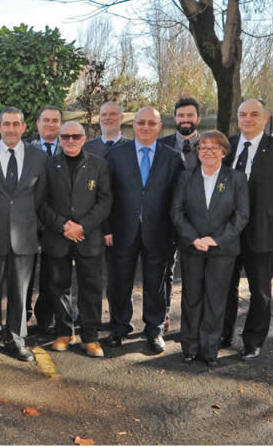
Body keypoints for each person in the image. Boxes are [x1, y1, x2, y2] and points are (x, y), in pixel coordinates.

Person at [221, 99, 273, 360]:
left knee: (260, 292)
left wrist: (271, 216)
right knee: (225, 287)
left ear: (265, 119)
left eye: (254, 114)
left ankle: (253, 341)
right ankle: (223, 333)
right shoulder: (228, 145)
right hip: (229, 231)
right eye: (243, 114)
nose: (248, 119)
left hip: (261, 232)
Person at [0, 107, 47, 362]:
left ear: (24, 127)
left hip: (25, 236)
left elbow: (40, 197)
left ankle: (16, 339)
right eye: (6, 124)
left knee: (20, 292)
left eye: (16, 124)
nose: (11, 129)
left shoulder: (39, 157)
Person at [105, 106, 183, 354]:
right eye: (141, 123)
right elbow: (107, 195)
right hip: (122, 230)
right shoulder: (116, 155)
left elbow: (178, 199)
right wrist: (107, 228)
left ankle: (154, 329)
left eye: (152, 123)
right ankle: (119, 327)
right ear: (133, 125)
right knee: (120, 282)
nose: (146, 127)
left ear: (160, 126)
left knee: (156, 283)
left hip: (159, 232)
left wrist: (175, 232)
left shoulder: (173, 157)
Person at [171, 130, 249, 366]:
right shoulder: (186, 177)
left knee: (215, 301)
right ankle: (189, 347)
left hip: (222, 250)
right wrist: (194, 238)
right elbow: (176, 212)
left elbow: (242, 216)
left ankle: (210, 349)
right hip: (192, 247)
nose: (209, 152)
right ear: (197, 152)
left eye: (215, 148)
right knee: (191, 298)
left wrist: (215, 240)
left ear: (224, 152)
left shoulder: (237, 179)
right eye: (203, 147)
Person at [39, 121, 112, 357]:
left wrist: (82, 227)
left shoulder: (98, 164)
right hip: (57, 236)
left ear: (84, 139)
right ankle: (64, 332)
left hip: (88, 237)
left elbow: (105, 201)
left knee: (91, 287)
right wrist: (63, 226)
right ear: (59, 139)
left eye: (75, 136)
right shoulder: (48, 165)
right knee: (58, 286)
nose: (70, 140)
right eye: (65, 136)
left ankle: (90, 337)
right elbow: (41, 203)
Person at [158, 97, 202, 332]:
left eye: (190, 115)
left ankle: (191, 322)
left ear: (198, 119)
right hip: (165, 220)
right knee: (165, 269)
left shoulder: (208, 146)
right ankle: (163, 314)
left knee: (194, 273)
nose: (185, 120)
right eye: (181, 115)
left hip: (197, 222)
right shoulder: (160, 146)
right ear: (175, 118)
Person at [83, 101, 129, 331]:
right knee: (89, 276)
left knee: (118, 277)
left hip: (120, 224)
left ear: (121, 118)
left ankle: (119, 322)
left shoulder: (131, 147)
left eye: (113, 114)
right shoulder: (87, 147)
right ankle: (86, 320)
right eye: (104, 114)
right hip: (90, 223)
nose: (108, 118)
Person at [25, 106, 62, 335]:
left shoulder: (69, 146)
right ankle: (22, 316)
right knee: (25, 272)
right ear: (37, 123)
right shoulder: (25, 147)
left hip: (55, 221)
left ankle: (46, 317)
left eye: (55, 120)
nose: (50, 124)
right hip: (28, 220)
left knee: (52, 272)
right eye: (46, 120)